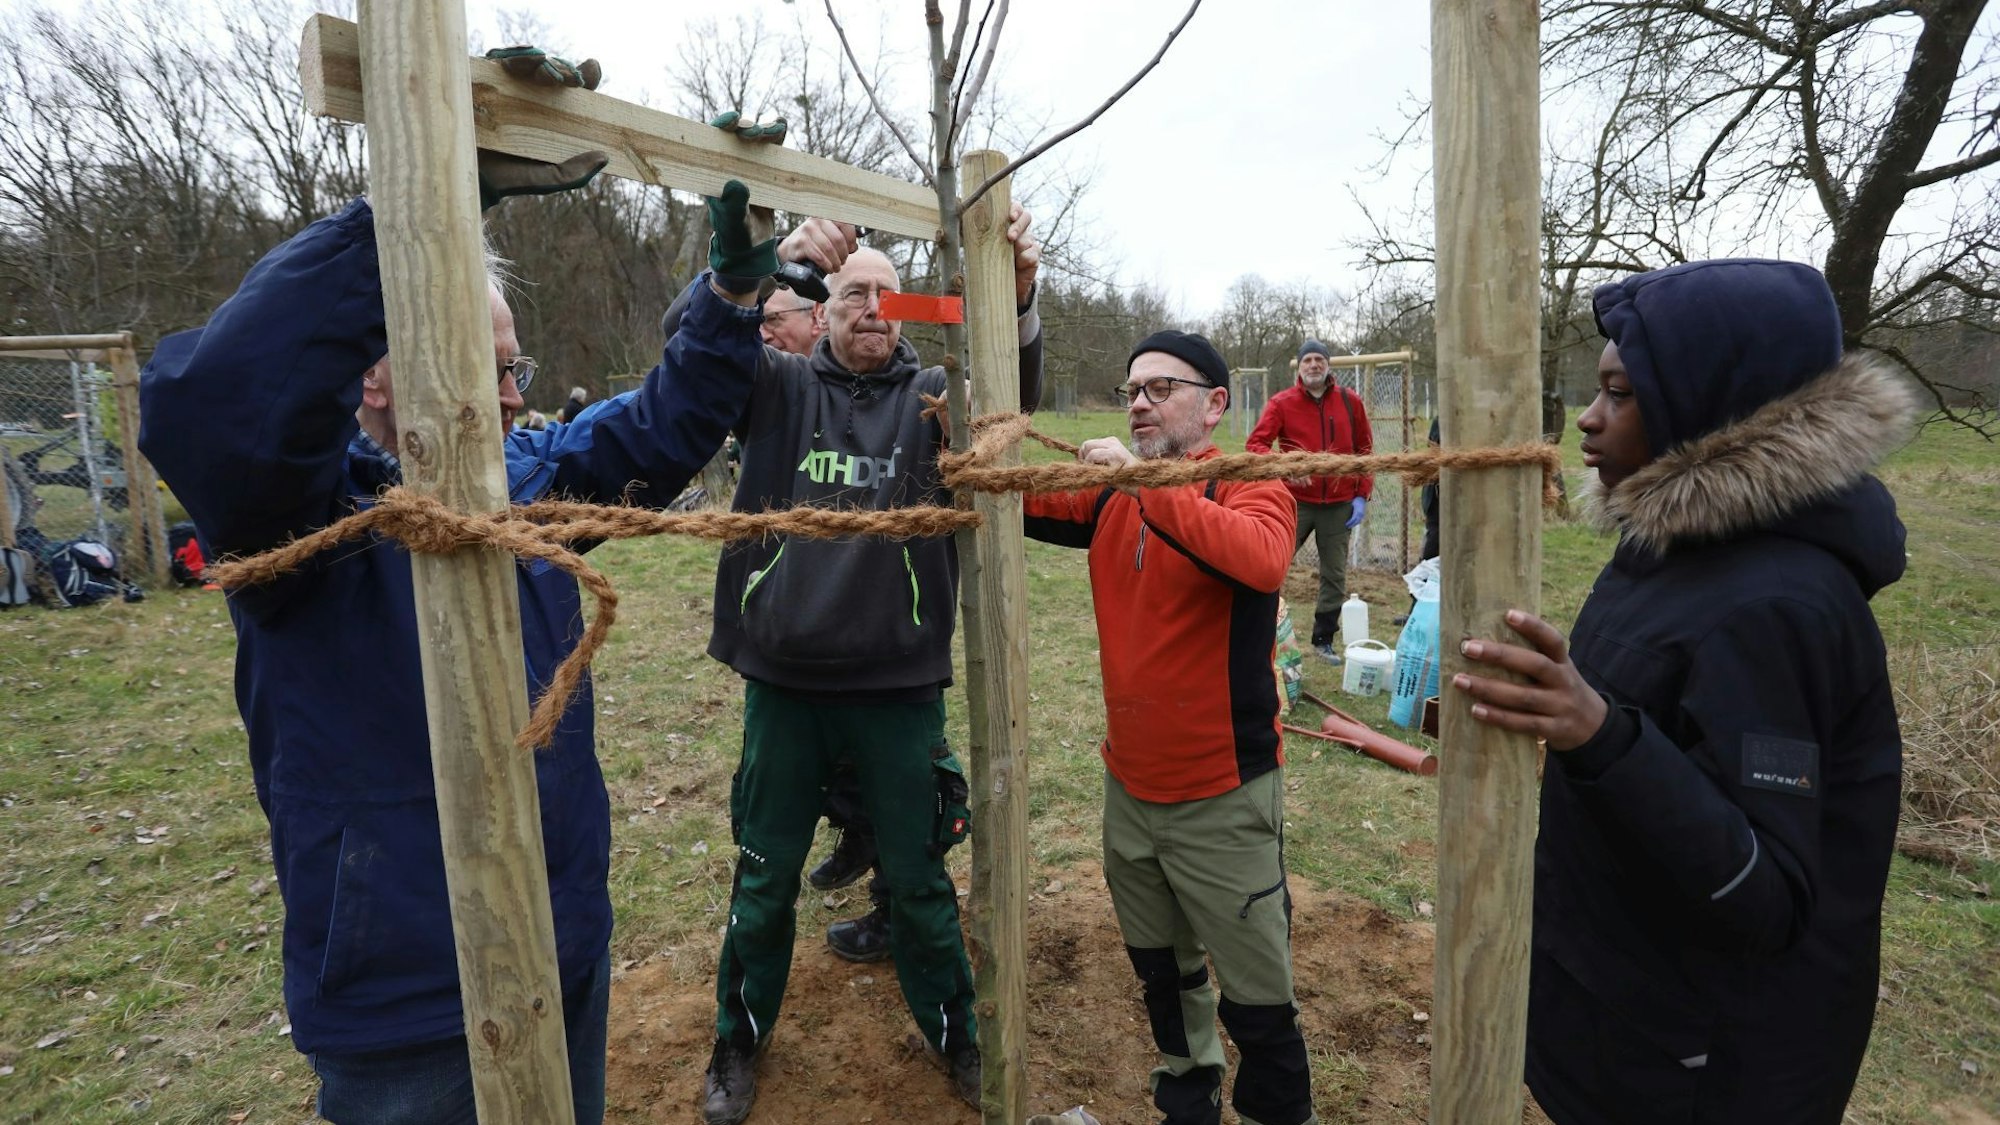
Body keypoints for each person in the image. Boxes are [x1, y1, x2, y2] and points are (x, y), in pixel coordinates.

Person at [138, 129, 774, 1122]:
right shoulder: (302, 523)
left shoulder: (518, 484)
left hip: (557, 940)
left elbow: (655, 426)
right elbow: (218, 404)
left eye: (518, 369)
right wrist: (409, 209)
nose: (517, 397)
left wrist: (728, 302)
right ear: (376, 379)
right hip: (411, 998)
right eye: (492, 372)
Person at [1453, 259, 1912, 1124]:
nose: (1587, 420)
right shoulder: (1675, 552)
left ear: (1710, 401)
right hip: (1630, 1021)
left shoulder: (1781, 605)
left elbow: (1764, 896)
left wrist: (1597, 730)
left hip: (1712, 1073)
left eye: (1620, 393)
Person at [679, 209, 1045, 1125]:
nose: (871, 308)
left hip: (895, 689)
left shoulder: (933, 398)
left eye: (887, 295)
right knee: (764, 874)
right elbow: (695, 353)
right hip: (787, 686)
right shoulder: (778, 385)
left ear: (907, 311)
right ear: (821, 308)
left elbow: (1009, 403)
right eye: (852, 294)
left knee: (918, 878)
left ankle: (957, 1031)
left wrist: (1021, 302)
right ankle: (738, 1035)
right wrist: (752, 267)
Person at [1023, 331, 1314, 1125]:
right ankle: (1188, 1095)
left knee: (1260, 1004)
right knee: (1164, 972)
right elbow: (1014, 491)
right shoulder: (1112, 496)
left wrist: (1144, 482)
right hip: (1131, 790)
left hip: (1224, 796)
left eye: (1161, 388)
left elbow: (1259, 560)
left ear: (1214, 404)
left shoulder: (1251, 486)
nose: (1141, 402)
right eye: (1133, 391)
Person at [1246, 339, 1372, 662]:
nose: (1314, 365)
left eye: (1319, 359)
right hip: (1295, 502)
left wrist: (1361, 495)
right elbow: (1256, 445)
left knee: (1335, 574)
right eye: (1308, 360)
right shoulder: (1282, 403)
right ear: (1299, 367)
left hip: (1340, 504)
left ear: (1328, 365)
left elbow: (1365, 452)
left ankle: (1323, 638)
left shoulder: (1349, 402)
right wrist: (1285, 467)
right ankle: (1259, 629)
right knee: (1272, 563)